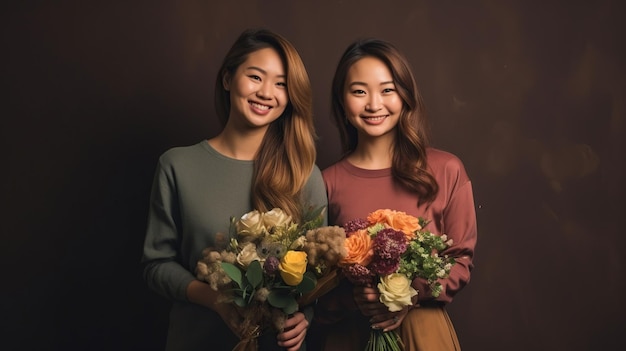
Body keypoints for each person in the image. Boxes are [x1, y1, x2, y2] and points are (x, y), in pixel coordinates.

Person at [141, 28, 328, 351]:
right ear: (228, 79)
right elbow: (156, 265)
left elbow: (321, 273)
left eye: (281, 83)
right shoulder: (177, 166)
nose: (267, 92)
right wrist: (215, 300)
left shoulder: (303, 174)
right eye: (255, 77)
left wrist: (305, 318)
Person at [308, 38, 477, 350]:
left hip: (423, 334)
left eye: (387, 90)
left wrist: (407, 293)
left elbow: (460, 261)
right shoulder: (324, 182)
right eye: (359, 91)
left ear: (406, 96)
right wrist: (357, 297)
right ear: (342, 101)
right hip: (349, 337)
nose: (374, 104)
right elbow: (314, 283)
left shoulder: (445, 169)